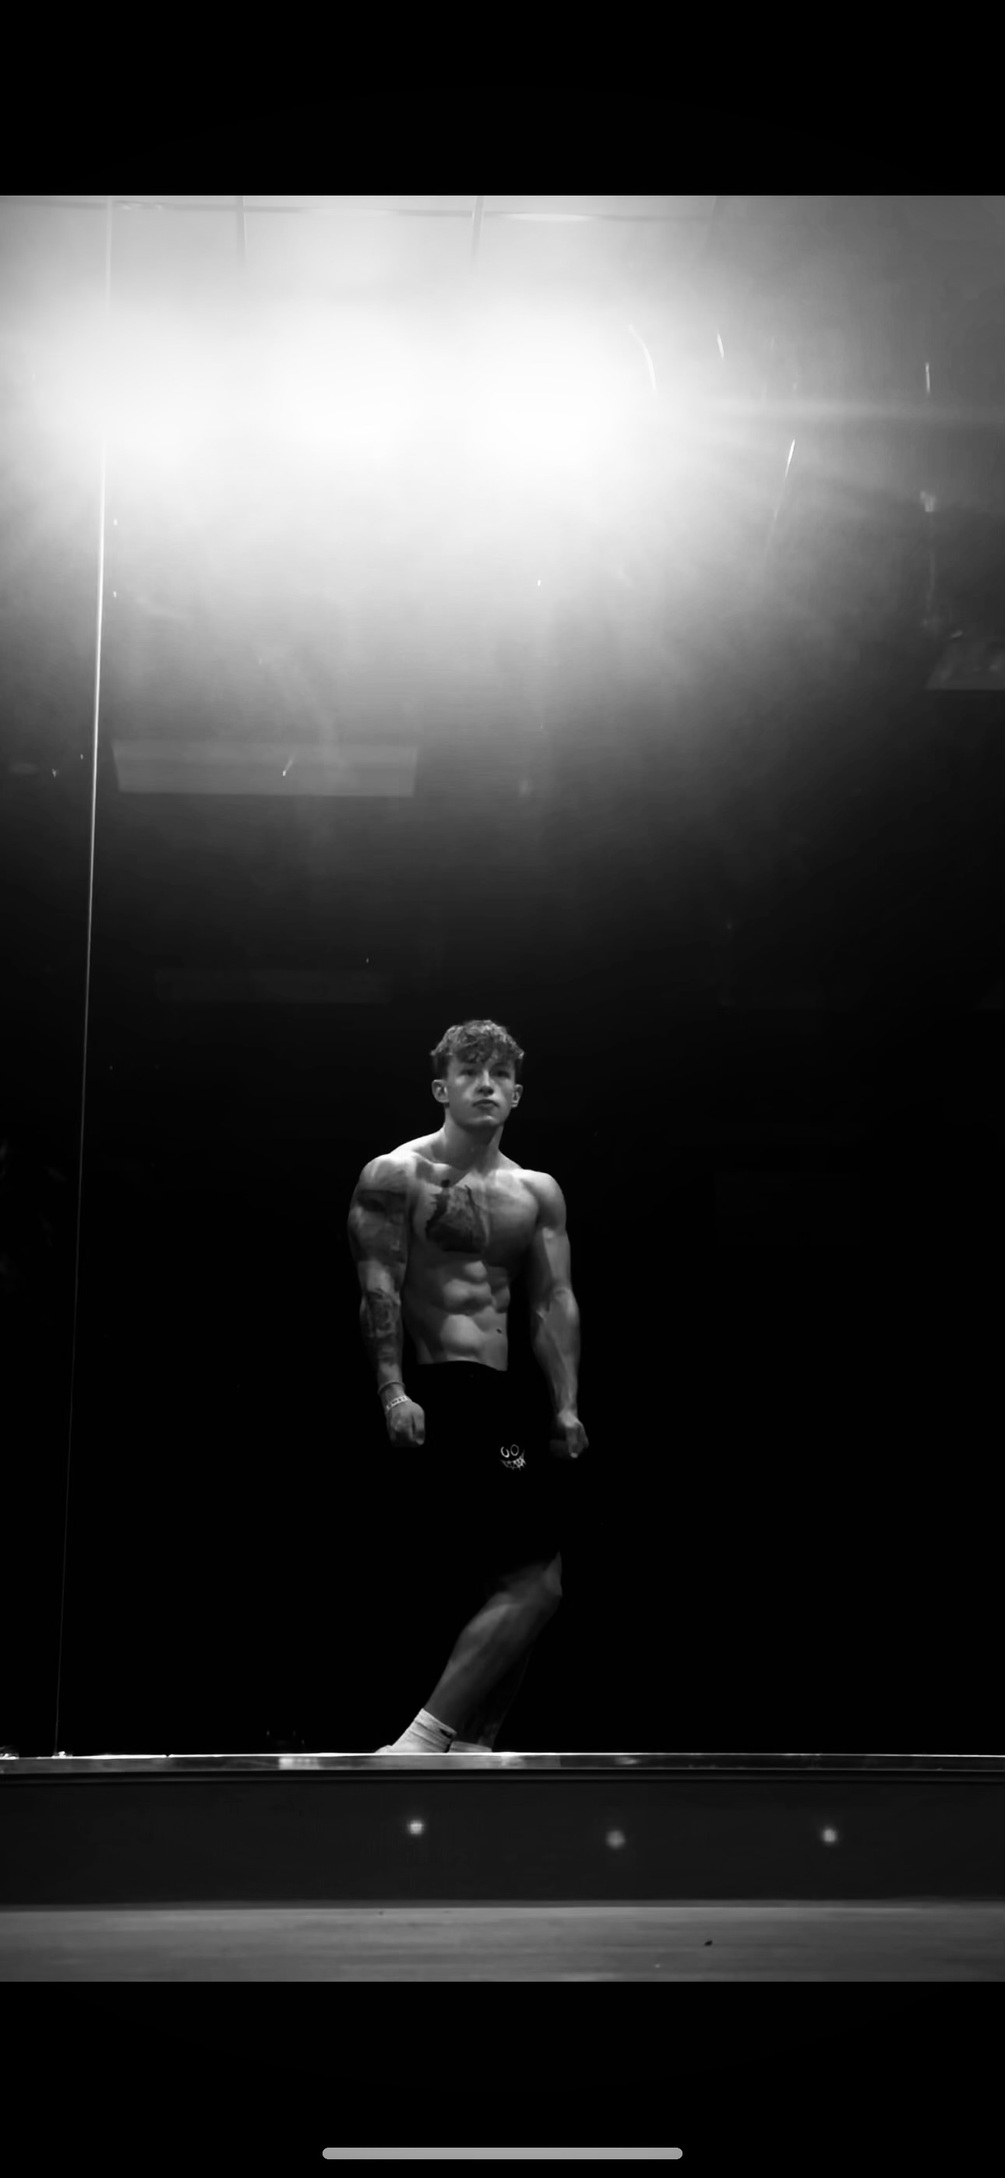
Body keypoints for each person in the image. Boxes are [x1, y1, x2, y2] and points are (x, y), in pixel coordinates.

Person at [347, 1017, 587, 1757]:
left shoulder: (536, 1192)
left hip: (504, 1398)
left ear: (517, 1093)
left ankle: (470, 1745)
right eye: (469, 1073)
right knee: (535, 1582)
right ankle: (424, 1740)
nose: (486, 1085)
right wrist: (392, 1391)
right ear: (440, 1088)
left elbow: (553, 1301)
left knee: (515, 1582)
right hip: (438, 1386)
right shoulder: (398, 1174)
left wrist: (566, 1404)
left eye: (500, 1075)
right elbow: (378, 1286)